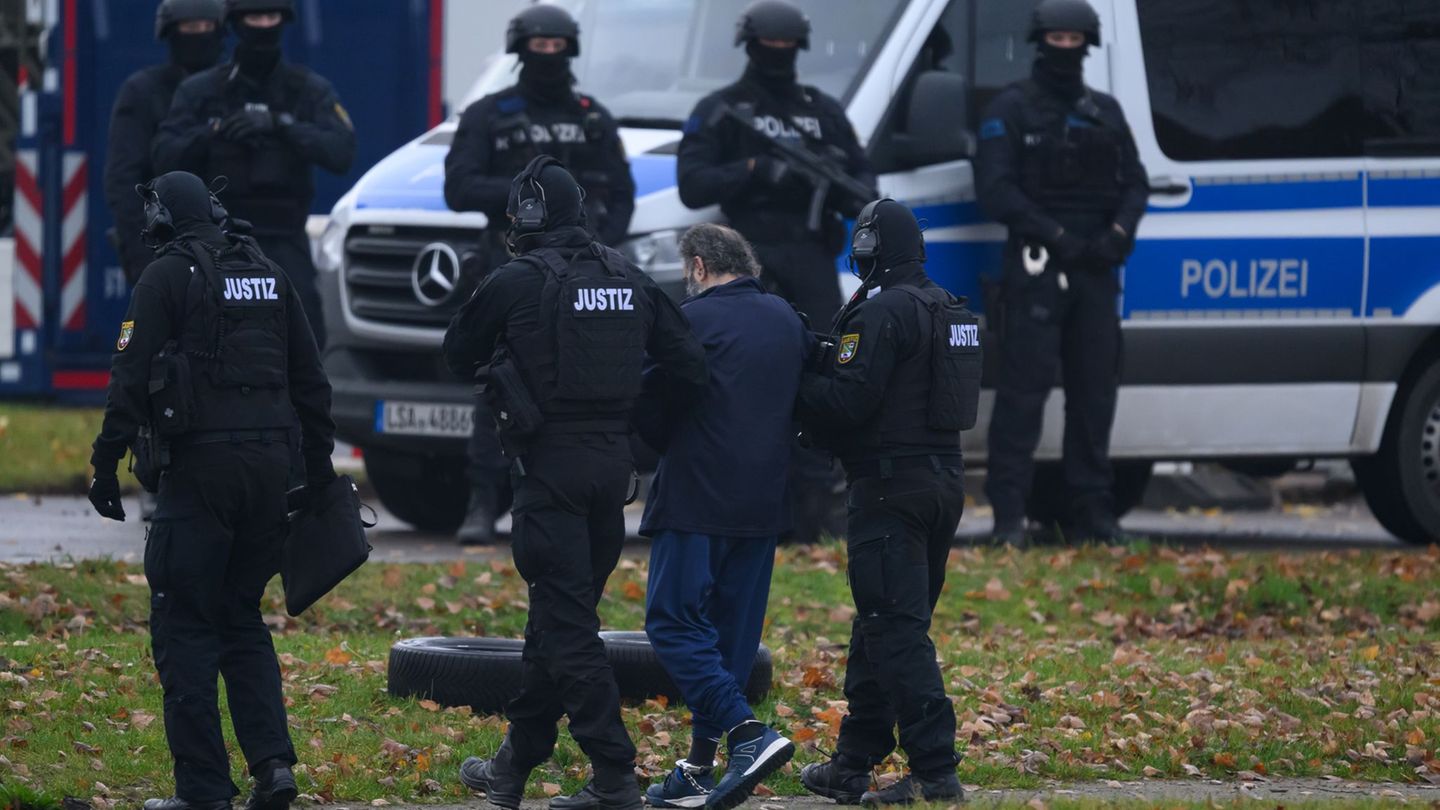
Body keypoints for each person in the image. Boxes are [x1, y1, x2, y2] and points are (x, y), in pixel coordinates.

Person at [442, 156, 707, 810]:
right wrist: (638, 437)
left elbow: (456, 353)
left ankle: (614, 772)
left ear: (527, 216)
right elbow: (690, 369)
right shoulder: (630, 277)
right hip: (611, 474)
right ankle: (513, 765)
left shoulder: (515, 279)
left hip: (549, 474)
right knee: (555, 622)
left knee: (567, 630)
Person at [87, 171, 335, 810]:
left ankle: (202, 792)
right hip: (270, 477)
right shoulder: (269, 273)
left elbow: (129, 375)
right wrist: (318, 472)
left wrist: (105, 461)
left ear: (164, 219)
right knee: (241, 619)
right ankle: (274, 768)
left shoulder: (166, 276)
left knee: (185, 626)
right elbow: (311, 379)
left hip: (200, 476)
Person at [797, 199, 977, 807]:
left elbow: (850, 404)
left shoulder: (880, 313)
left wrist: (802, 381)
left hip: (889, 489)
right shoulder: (950, 308)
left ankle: (935, 769)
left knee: (895, 632)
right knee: (881, 624)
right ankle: (851, 764)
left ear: (871, 248)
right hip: (943, 485)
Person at [676, 0, 874, 544]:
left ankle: (818, 507)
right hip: (745, 260)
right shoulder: (722, 109)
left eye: (788, 48)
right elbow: (693, 183)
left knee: (824, 371)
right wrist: (756, 169)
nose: (779, 56)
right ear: (752, 46)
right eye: (772, 47)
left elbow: (863, 184)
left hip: (810, 254)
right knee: (741, 375)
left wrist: (821, 180)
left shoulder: (824, 111)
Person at [444, 3, 635, 546]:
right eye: (538, 46)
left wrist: (602, 245)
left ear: (569, 51)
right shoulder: (488, 114)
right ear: (520, 50)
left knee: (582, 375)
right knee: (498, 380)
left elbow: (622, 194)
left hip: (584, 264)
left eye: (556, 47)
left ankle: (584, 494)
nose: (547, 55)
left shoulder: (593, 116)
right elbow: (457, 188)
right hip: (513, 260)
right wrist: (527, 198)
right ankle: (483, 500)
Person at [635, 224, 807, 810]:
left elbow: (649, 399)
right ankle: (700, 767)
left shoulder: (693, 321)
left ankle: (747, 734)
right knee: (732, 639)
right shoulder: (789, 319)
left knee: (674, 623)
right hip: (763, 504)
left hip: (697, 497)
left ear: (700, 266)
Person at [975, 0, 1149, 545]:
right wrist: (1058, 237)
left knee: (1095, 395)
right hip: (1037, 269)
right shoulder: (1012, 108)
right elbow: (996, 190)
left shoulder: (1106, 111)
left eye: (1076, 40)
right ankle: (1008, 517)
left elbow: (1136, 183)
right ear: (1040, 41)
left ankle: (1093, 514)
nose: (1067, 48)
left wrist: (1116, 236)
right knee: (1022, 397)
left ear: (1088, 45)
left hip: (1097, 269)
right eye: (1058, 39)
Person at [153, 0, 356, 350]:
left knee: (303, 343)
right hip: (217, 242)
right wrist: (214, 132)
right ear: (235, 23)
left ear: (283, 20)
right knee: (205, 339)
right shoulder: (202, 91)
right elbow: (163, 155)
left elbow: (341, 151)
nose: (263, 25)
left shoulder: (306, 90)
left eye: (270, 16)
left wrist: (282, 126)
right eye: (254, 16)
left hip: (285, 242)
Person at [105, 0, 227, 286]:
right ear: (172, 32)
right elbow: (123, 181)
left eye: (207, 27)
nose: (199, 34)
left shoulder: (232, 89)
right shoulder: (144, 93)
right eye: (190, 27)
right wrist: (145, 251)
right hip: (165, 245)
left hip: (225, 244)